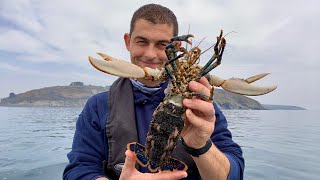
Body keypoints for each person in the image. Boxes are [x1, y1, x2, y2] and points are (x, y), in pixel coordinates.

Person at [63, 3, 244, 180]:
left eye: (162, 45)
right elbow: (78, 171)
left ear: (176, 48)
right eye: (142, 41)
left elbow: (234, 175)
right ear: (128, 41)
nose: (150, 54)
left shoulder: (203, 109)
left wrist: (202, 145)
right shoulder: (97, 107)